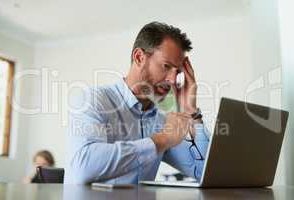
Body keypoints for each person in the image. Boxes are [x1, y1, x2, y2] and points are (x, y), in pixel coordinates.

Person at [65, 21, 210, 184]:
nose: (172, 80)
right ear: (139, 57)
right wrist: (161, 140)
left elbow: (204, 172)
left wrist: (191, 112)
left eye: (177, 72)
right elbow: (83, 167)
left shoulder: (162, 120)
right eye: (166, 66)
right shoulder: (93, 100)